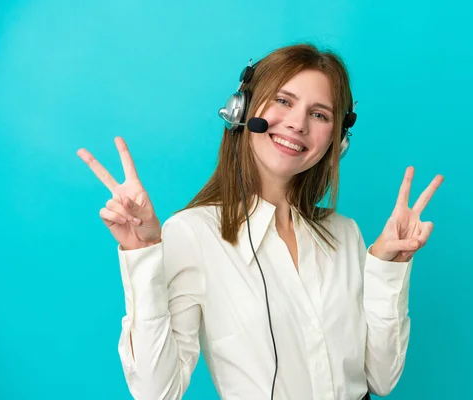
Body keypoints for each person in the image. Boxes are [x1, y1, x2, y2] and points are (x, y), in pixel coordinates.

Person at [77, 43, 443, 400]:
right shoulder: (193, 233)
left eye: (319, 114)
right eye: (283, 101)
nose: (297, 124)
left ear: (337, 140)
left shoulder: (345, 235)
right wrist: (141, 255)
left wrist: (387, 267)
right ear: (242, 110)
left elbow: (382, 379)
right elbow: (157, 391)